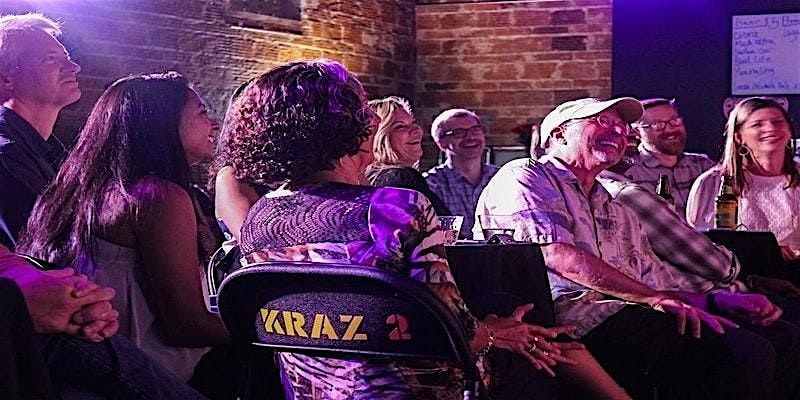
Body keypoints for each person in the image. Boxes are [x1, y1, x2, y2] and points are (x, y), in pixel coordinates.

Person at [220, 59, 630, 400]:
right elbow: (457, 333)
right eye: (362, 108)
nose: (370, 118)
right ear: (349, 127)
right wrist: (496, 333)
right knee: (536, 354)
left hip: (312, 391)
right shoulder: (394, 207)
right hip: (415, 389)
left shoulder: (259, 217)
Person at [475, 96, 800, 399]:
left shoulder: (614, 206)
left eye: (622, 126)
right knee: (743, 354)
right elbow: (556, 254)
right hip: (570, 321)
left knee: (785, 338)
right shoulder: (527, 175)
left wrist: (717, 300)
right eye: (602, 121)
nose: (618, 131)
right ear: (559, 134)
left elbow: (653, 283)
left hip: (627, 313)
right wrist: (654, 299)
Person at [0, 13, 208, 399]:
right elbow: (33, 258)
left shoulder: (57, 158)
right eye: (51, 59)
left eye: (68, 56)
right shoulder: (6, 157)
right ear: (7, 78)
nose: (73, 66)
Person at [19, 72, 229, 383]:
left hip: (74, 374)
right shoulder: (156, 196)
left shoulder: (74, 194)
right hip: (137, 380)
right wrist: (270, 325)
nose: (214, 124)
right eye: (202, 112)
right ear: (163, 122)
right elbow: (187, 326)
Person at [687, 97, 800, 263]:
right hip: (739, 273)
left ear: (789, 130)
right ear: (739, 137)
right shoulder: (714, 182)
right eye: (757, 125)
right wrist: (765, 252)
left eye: (777, 122)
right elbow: (701, 244)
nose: (770, 128)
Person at [610, 98, 715, 214]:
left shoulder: (702, 165)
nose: (670, 129)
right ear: (637, 132)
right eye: (658, 125)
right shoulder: (628, 173)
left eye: (674, 121)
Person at [365, 96, 451, 215]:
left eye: (414, 123)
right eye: (400, 126)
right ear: (379, 138)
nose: (416, 131)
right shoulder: (401, 179)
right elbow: (433, 225)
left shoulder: (371, 178)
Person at [425, 108, 499, 239]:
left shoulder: (502, 178)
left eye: (475, 130)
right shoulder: (431, 185)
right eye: (459, 133)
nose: (470, 137)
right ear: (441, 143)